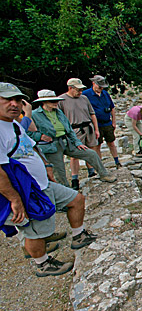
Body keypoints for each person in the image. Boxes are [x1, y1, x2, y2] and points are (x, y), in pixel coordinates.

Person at [0, 82, 97, 277]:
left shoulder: (14, 124)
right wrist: (15, 200)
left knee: (75, 199)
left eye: (18, 100)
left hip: (42, 182)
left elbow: (31, 145)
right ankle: (42, 264)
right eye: (7, 100)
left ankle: (78, 235)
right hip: (26, 189)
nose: (14, 104)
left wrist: (46, 165)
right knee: (34, 229)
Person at [30, 89, 117, 187]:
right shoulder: (34, 115)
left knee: (91, 153)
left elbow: (69, 129)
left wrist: (77, 143)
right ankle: (67, 191)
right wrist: (40, 136)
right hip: (51, 146)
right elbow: (27, 133)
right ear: (43, 102)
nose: (56, 103)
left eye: (56, 100)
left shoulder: (58, 112)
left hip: (66, 141)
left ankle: (103, 174)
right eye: (52, 101)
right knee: (60, 171)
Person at [59, 78, 101, 190]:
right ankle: (74, 178)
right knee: (74, 155)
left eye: (81, 89)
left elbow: (92, 114)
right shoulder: (61, 100)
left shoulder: (84, 98)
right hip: (74, 130)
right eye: (78, 90)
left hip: (88, 127)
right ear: (70, 88)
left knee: (91, 150)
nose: (80, 92)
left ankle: (92, 171)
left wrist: (96, 129)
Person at [82, 75, 121, 168]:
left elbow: (112, 108)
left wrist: (114, 122)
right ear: (93, 83)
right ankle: (99, 165)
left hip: (107, 122)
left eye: (102, 87)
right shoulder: (86, 94)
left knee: (111, 142)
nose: (101, 88)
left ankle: (117, 161)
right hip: (96, 124)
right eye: (99, 86)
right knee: (97, 145)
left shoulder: (105, 94)